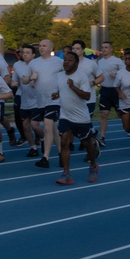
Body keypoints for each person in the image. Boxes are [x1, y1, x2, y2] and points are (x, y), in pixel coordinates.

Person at [52, 51, 99, 184]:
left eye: (70, 60)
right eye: (65, 60)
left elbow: (87, 96)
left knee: (87, 144)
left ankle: (93, 165)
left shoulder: (81, 77)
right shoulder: (59, 76)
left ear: (76, 63)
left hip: (81, 117)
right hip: (65, 115)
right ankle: (66, 173)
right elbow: (60, 91)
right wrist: (56, 95)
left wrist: (72, 86)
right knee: (64, 143)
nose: (66, 62)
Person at [31, 39, 64, 168]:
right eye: (40, 46)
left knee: (48, 127)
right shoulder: (34, 63)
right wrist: (30, 79)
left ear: (51, 48)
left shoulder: (58, 62)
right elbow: (26, 79)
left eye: (44, 46)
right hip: (40, 101)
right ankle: (62, 153)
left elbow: (68, 73)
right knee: (53, 129)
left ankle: (45, 158)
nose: (41, 48)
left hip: (54, 100)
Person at [12, 44, 40, 157]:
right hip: (24, 98)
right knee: (25, 125)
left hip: (37, 99)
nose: (25, 54)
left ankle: (42, 137)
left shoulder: (38, 64)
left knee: (35, 125)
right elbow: (13, 80)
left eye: (28, 53)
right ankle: (33, 147)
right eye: (23, 52)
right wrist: (15, 84)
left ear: (33, 55)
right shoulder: (17, 65)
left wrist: (33, 79)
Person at [96, 41, 124, 144]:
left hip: (115, 91)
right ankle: (102, 137)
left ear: (111, 49)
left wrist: (116, 75)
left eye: (106, 47)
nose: (104, 49)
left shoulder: (117, 61)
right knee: (104, 114)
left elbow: (125, 73)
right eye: (102, 47)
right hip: (104, 90)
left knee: (120, 114)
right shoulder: (100, 62)